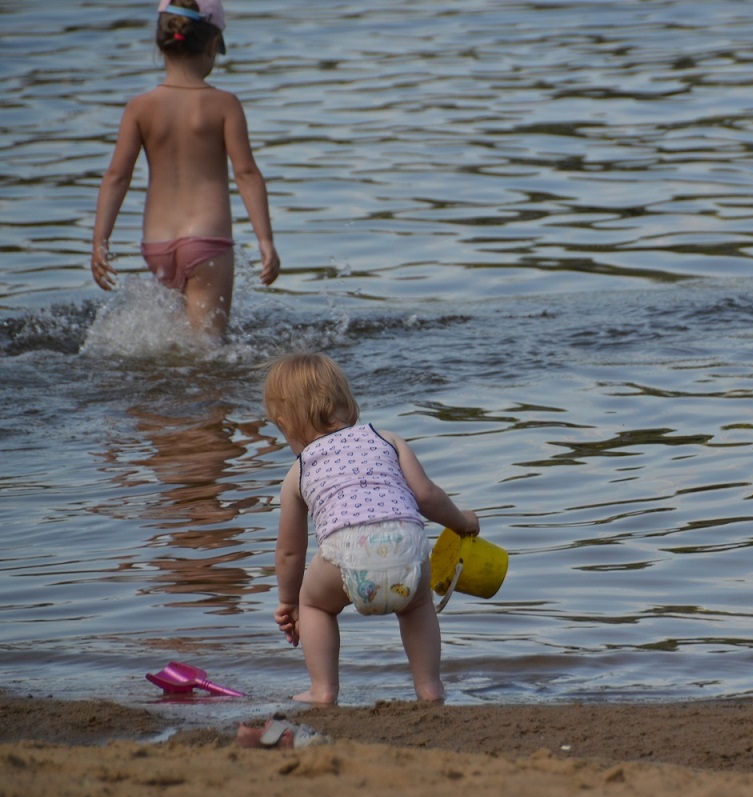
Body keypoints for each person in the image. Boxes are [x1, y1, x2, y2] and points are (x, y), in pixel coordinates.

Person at [262, 352, 480, 704]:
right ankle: (429, 687)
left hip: (346, 553)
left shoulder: (298, 472)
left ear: (285, 423)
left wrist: (290, 602)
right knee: (418, 603)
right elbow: (426, 497)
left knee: (315, 604)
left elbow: (289, 551)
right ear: (347, 402)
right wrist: (463, 522)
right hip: (407, 545)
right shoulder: (386, 439)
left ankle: (323, 689)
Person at [91, 0, 280, 339]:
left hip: (157, 243)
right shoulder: (224, 104)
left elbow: (116, 176)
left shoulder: (139, 107)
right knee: (208, 353)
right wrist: (266, 240)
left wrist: (99, 241)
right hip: (206, 239)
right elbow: (246, 173)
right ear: (211, 45)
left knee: (175, 344)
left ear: (161, 43)